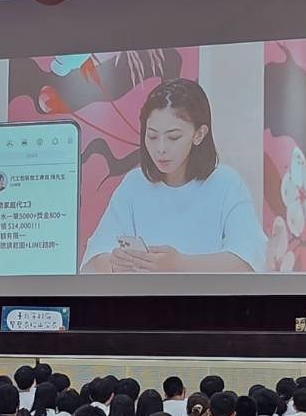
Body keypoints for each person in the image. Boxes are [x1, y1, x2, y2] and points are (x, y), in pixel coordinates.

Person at [81, 77, 265, 273]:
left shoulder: (226, 184)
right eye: (152, 136)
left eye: (173, 137)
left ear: (199, 134)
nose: (160, 148)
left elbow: (248, 263)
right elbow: (91, 262)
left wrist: (180, 265)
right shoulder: (134, 184)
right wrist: (114, 263)